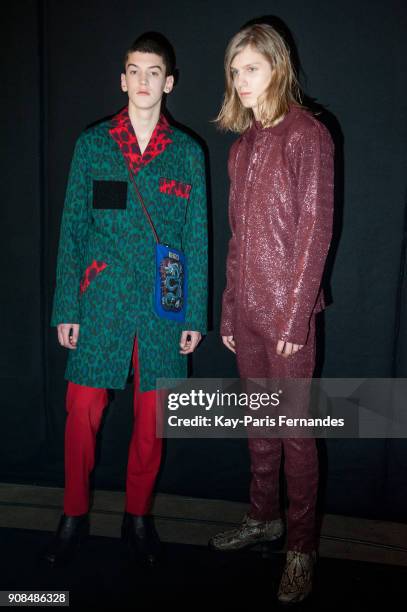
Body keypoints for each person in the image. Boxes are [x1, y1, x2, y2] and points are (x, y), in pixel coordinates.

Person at [43, 31, 208, 569]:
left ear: (170, 81)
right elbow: (73, 229)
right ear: (122, 79)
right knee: (81, 412)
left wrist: (196, 313)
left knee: (152, 417)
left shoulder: (186, 152)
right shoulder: (94, 143)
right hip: (102, 299)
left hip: (164, 301)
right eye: (134, 70)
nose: (143, 80)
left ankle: (138, 517)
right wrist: (67, 305)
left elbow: (197, 236)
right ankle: (73, 515)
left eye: (153, 71)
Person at [208, 23, 334, 604]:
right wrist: (230, 313)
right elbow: (237, 238)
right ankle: (264, 517)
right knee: (258, 426)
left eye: (251, 68)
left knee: (296, 435)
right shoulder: (242, 146)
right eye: (236, 71)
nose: (242, 80)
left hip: (288, 319)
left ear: (277, 68)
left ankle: (301, 548)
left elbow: (315, 233)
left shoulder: (308, 134)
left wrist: (294, 318)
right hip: (249, 316)